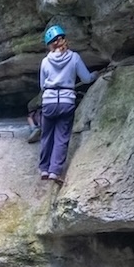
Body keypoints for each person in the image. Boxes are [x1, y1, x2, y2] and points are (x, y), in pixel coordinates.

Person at [37, 25, 95, 182]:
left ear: (50, 44)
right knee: (61, 137)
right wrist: (96, 74)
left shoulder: (45, 61)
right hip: (66, 100)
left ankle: (44, 169)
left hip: (48, 101)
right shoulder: (74, 57)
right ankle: (55, 171)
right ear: (63, 39)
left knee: (46, 136)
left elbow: (42, 86)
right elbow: (86, 79)